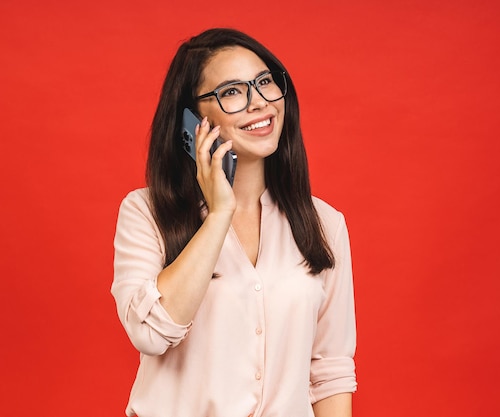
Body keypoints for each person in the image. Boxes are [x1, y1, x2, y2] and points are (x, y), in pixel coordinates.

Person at [111, 28, 357, 417]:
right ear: (190, 119)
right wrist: (219, 214)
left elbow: (330, 369)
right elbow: (151, 333)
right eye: (231, 91)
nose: (259, 103)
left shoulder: (324, 224)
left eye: (264, 82)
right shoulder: (146, 213)